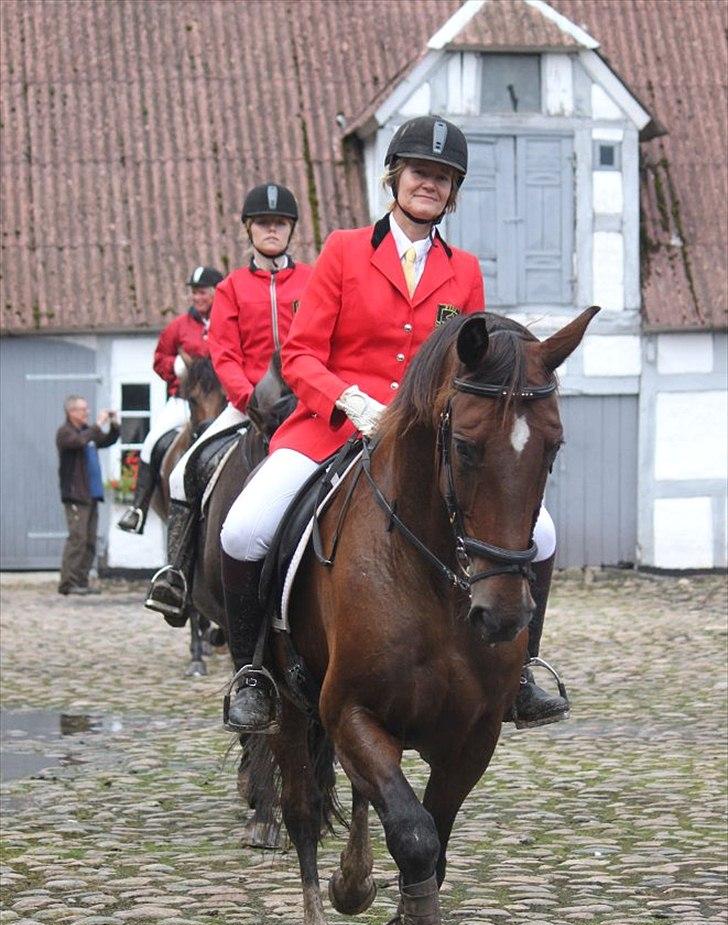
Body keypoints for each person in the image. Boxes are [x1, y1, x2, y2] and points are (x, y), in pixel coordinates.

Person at [218, 116, 569, 735]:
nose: (429, 184)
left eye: (442, 177)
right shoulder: (344, 251)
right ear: (395, 178)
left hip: (427, 446)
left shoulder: (464, 271)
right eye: (419, 172)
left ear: (453, 192)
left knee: (539, 535)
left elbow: (473, 363)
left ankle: (520, 673)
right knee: (244, 531)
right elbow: (299, 355)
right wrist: (349, 402)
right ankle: (253, 673)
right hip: (332, 427)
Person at [144, 184, 314, 625]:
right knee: (183, 472)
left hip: (307, 403)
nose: (272, 230)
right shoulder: (232, 288)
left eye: (279, 223)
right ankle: (177, 577)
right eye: (263, 223)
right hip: (249, 406)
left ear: (291, 229)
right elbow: (223, 353)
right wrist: (249, 399)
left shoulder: (312, 281)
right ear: (249, 229)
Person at [117, 265, 224, 534]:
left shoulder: (230, 323)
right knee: (151, 442)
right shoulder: (178, 326)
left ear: (216, 293)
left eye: (202, 292)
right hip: (184, 400)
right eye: (194, 293)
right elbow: (158, 360)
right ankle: (138, 509)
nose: (196, 298)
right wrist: (176, 365)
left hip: (224, 401)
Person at [56, 396, 120, 595]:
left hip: (91, 494)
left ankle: (81, 581)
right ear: (71, 412)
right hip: (76, 495)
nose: (87, 412)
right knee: (77, 538)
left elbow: (106, 440)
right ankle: (68, 583)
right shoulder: (65, 433)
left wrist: (114, 425)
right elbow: (79, 442)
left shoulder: (86, 432)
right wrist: (99, 424)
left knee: (90, 540)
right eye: (83, 409)